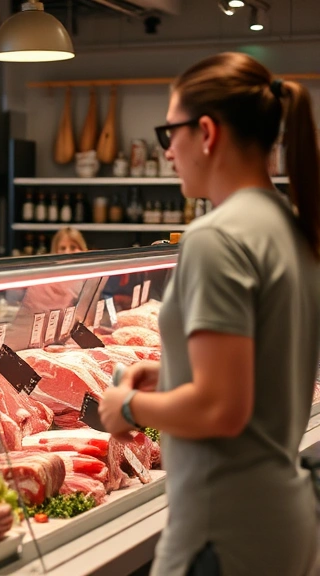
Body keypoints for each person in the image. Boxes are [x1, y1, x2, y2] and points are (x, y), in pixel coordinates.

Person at [99, 53, 320, 576]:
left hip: (222, 533)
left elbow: (223, 409)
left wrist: (126, 407)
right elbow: (260, 366)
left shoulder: (215, 238)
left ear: (205, 132)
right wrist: (173, 370)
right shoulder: (286, 226)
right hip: (277, 522)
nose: (167, 151)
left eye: (168, 131)